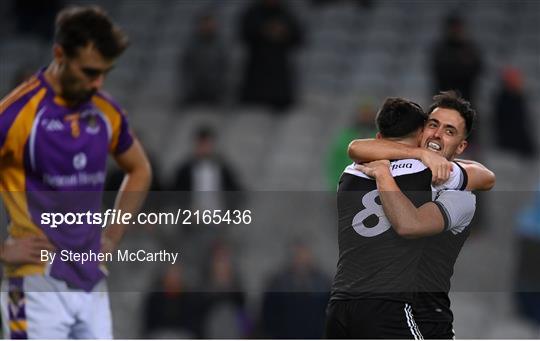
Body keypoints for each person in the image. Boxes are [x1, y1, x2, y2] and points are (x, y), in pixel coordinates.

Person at [0, 6, 151, 338]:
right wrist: (2, 249)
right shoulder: (16, 114)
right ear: (59, 54)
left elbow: (139, 170)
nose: (97, 83)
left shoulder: (106, 112)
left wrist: (111, 236)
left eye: (104, 73)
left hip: (90, 282)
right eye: (89, 72)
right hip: (34, 282)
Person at [348, 91, 496, 338]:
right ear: (420, 131)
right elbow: (355, 147)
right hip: (381, 318)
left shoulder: (458, 192)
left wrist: (385, 173)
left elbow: (487, 177)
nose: (437, 134)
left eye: (449, 131)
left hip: (425, 322)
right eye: (433, 125)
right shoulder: (403, 166)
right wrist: (419, 154)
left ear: (461, 147)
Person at [238, 0, 303, 112]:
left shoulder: (285, 12)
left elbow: (298, 36)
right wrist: (264, 30)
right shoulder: (253, 12)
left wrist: (282, 32)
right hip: (256, 72)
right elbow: (245, 33)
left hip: (279, 74)